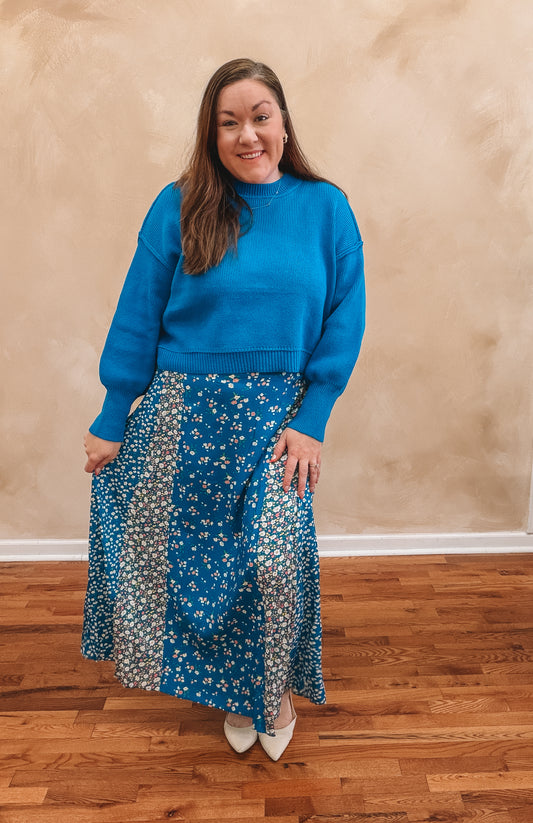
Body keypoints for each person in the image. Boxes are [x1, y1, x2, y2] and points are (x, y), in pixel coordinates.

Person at [82, 57, 365, 761]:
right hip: (181, 416)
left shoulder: (325, 207)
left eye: (259, 117)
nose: (247, 135)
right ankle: (240, 689)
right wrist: (113, 414)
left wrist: (313, 418)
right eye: (228, 122)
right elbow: (139, 312)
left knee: (271, 563)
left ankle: (274, 690)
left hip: (277, 422)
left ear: (283, 122)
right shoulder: (179, 204)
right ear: (211, 135)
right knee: (200, 567)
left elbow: (344, 317)